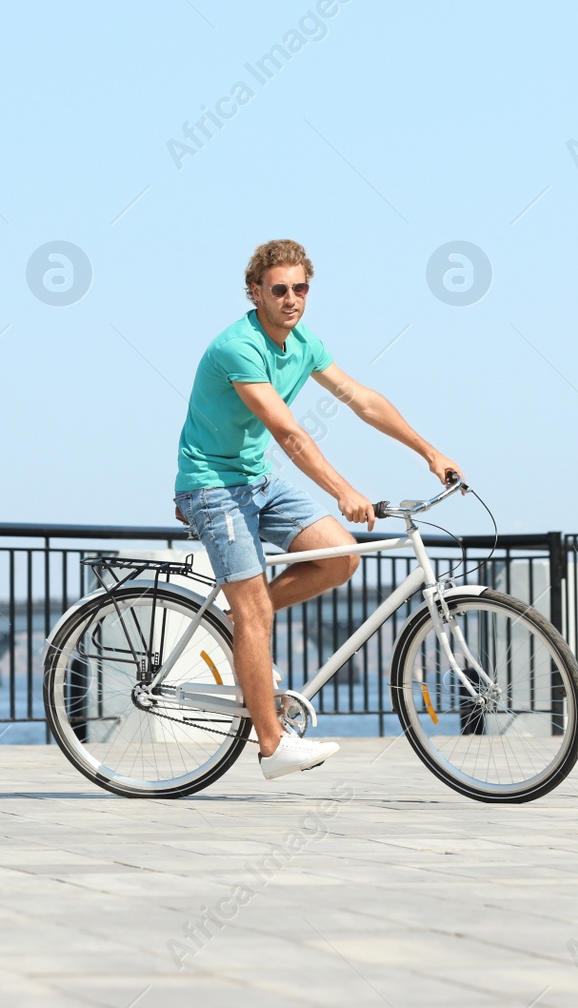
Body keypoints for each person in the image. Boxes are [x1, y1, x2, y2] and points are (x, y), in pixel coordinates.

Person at [172, 239, 463, 779]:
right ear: (255, 292)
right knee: (256, 611)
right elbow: (289, 432)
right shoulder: (239, 347)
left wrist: (430, 452)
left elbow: (363, 399)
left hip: (258, 479)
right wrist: (342, 489)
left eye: (300, 288)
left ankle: (245, 632)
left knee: (340, 558)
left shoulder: (303, 342)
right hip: (212, 486)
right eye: (278, 289)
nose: (291, 299)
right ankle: (271, 746)